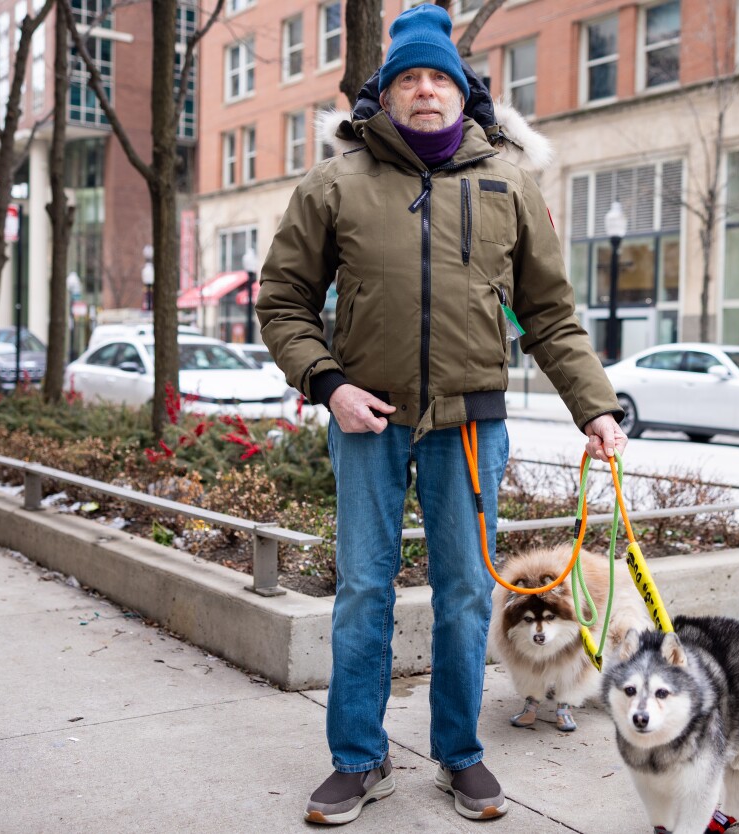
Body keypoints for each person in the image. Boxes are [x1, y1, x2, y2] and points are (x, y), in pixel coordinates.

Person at [256, 5, 626, 825]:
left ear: (461, 93)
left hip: (470, 425)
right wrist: (327, 384)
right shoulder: (333, 185)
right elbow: (281, 301)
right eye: (407, 79)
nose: (424, 91)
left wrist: (594, 409)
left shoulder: (509, 186)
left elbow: (550, 315)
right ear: (383, 95)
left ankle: (460, 755)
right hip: (367, 421)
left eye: (437, 78)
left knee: (463, 595)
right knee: (362, 593)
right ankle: (358, 758)